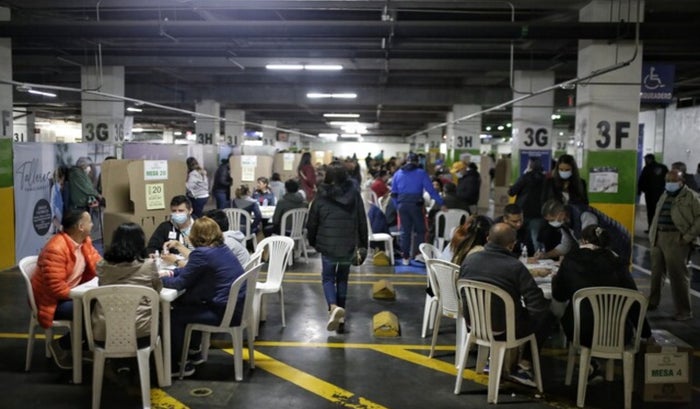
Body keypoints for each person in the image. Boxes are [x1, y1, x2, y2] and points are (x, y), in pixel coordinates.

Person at [552, 224, 651, 383]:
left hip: (581, 332)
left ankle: (590, 364)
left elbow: (559, 296)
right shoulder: (618, 263)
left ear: (583, 240)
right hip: (617, 334)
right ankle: (596, 367)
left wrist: (556, 281)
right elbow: (634, 300)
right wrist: (646, 333)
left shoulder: (571, 260)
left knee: (571, 316)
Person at [459, 223, 552, 387]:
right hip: (504, 330)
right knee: (546, 317)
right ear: (512, 245)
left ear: (488, 238)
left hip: (473, 325)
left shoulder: (470, 260)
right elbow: (536, 303)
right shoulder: (515, 267)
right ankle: (524, 366)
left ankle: (493, 360)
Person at [161, 216, 247, 377]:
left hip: (223, 313)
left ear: (195, 236)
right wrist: (172, 273)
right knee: (188, 302)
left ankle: (176, 364)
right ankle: (194, 352)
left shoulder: (201, 254)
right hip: (234, 308)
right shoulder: (221, 248)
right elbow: (191, 271)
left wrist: (158, 279)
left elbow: (180, 284)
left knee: (174, 316)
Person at [31, 209, 101, 369]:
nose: (92, 224)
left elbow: (98, 263)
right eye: (89, 221)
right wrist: (82, 296)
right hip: (52, 302)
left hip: (72, 294)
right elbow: (56, 289)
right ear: (80, 227)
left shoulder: (84, 242)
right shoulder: (56, 248)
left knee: (98, 303)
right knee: (92, 307)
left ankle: (82, 347)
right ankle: (62, 345)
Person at [307, 162, 368, 333]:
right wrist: (363, 244)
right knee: (342, 279)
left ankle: (333, 307)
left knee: (328, 279)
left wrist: (313, 242)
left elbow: (312, 222)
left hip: (327, 245)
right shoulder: (354, 194)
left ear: (327, 176)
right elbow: (361, 220)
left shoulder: (321, 196)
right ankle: (340, 316)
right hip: (347, 245)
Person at [93, 223, 162, 344]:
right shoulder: (148, 265)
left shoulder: (102, 266)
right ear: (140, 242)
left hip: (105, 334)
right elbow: (157, 290)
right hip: (141, 333)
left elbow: (101, 286)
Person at [648, 169, 700, 321]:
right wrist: (653, 235)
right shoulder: (665, 194)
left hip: (676, 238)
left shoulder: (691, 196)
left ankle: (684, 311)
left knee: (678, 276)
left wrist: (687, 237)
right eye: (667, 181)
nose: (669, 183)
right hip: (658, 236)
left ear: (681, 182)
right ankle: (652, 301)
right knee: (656, 273)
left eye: (673, 181)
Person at [391, 153, 446, 265]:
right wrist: (441, 203)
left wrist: (398, 206)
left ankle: (405, 258)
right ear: (417, 162)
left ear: (407, 161)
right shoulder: (421, 173)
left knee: (405, 232)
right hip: (416, 205)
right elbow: (431, 190)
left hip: (402, 205)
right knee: (421, 230)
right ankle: (419, 254)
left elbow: (393, 194)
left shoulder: (398, 173)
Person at [163, 209, 251, 268]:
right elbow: (199, 259)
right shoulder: (228, 238)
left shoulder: (222, 243)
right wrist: (179, 246)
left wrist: (176, 261)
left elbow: (199, 268)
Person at [509, 157, 545, 248]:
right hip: (538, 213)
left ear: (530, 166)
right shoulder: (545, 179)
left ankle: (515, 252)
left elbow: (511, 192)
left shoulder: (525, 177)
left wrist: (523, 175)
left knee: (516, 235)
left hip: (521, 212)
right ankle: (539, 255)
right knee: (536, 238)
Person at [637, 154, 668, 232]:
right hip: (661, 193)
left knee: (650, 211)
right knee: (659, 211)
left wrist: (639, 191)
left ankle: (651, 228)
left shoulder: (647, 168)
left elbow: (641, 180)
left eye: (645, 160)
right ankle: (658, 229)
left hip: (649, 194)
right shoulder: (663, 167)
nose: (645, 161)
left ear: (649, 159)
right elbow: (668, 178)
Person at [50, 166, 68, 233]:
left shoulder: (66, 187)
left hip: (64, 221)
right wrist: (59, 226)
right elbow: (52, 209)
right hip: (58, 225)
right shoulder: (55, 189)